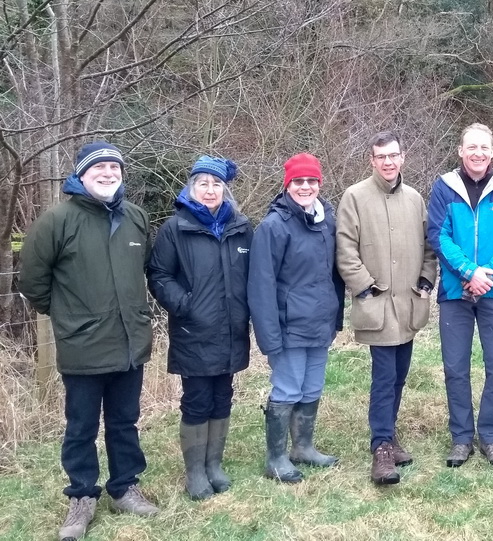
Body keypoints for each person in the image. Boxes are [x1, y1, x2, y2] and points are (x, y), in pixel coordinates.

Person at [19, 141, 159, 541]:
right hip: (83, 347)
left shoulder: (136, 217)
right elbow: (33, 282)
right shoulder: (56, 221)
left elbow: (143, 269)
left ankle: (124, 487)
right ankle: (81, 496)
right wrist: (69, 317)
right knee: (81, 426)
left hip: (131, 343)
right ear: (81, 175)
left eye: (115, 168)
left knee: (125, 421)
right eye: (99, 168)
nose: (108, 174)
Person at [147, 156, 252, 500]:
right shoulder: (175, 229)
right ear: (191, 187)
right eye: (203, 183)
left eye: (216, 184)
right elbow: (159, 276)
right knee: (197, 399)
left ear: (225, 189)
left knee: (223, 396)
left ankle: (214, 465)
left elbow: (252, 274)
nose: (210, 190)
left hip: (231, 329)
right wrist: (185, 305)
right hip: (194, 329)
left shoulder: (241, 227)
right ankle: (195, 472)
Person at [336, 131, 438, 485]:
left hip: (409, 304)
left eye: (393, 155)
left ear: (403, 157)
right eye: (381, 157)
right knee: (383, 377)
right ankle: (380, 447)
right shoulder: (354, 196)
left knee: (399, 376)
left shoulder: (415, 199)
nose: (388, 162)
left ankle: (390, 436)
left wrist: (426, 281)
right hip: (377, 305)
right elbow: (345, 249)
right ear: (372, 159)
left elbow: (429, 248)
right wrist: (365, 286)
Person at [427, 123, 493, 468]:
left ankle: (490, 436)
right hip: (456, 292)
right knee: (456, 367)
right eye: (472, 147)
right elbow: (438, 237)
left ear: (492, 152)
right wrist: (470, 272)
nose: (478, 153)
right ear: (460, 150)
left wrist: (489, 272)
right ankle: (461, 438)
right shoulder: (444, 188)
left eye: (484, 147)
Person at [248, 153, 344, 483]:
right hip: (288, 327)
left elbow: (334, 274)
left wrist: (336, 318)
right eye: (298, 181)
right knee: (287, 389)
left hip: (320, 323)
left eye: (311, 181)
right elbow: (260, 285)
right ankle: (275, 458)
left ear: (320, 184)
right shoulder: (273, 227)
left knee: (312, 387)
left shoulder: (327, 221)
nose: (305, 187)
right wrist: (268, 336)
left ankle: (302, 447)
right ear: (287, 185)